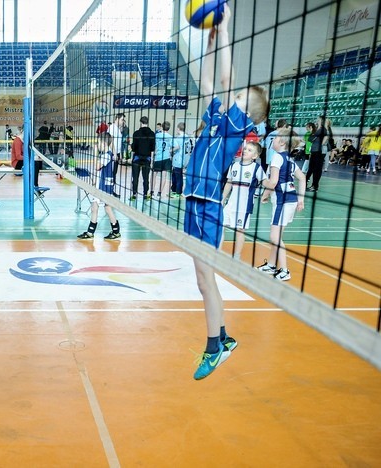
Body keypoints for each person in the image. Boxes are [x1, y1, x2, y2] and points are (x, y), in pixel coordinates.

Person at [183, 7, 269, 380]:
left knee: (206, 279)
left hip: (209, 206)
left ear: (249, 111)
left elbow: (225, 77)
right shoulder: (220, 118)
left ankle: (215, 346)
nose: (233, 95)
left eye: (240, 96)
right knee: (203, 279)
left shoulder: (238, 124)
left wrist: (227, 28)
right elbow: (207, 83)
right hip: (193, 200)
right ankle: (223, 339)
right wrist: (209, 41)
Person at [255, 128, 306, 281]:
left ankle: (284, 270)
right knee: (277, 236)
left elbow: (274, 182)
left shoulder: (277, 157)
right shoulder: (289, 159)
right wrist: (301, 199)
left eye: (276, 138)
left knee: (274, 236)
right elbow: (302, 178)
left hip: (282, 202)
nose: (273, 140)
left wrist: (264, 194)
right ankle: (271, 264)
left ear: (282, 142)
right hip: (290, 200)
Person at [222, 141, 266, 261]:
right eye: (245, 149)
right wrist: (223, 199)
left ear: (255, 156)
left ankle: (236, 256)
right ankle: (217, 251)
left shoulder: (256, 168)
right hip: (230, 204)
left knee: (240, 230)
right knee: (220, 226)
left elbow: (267, 183)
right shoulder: (234, 165)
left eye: (250, 150)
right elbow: (228, 184)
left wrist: (268, 193)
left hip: (244, 206)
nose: (246, 151)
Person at [77, 133, 121, 240]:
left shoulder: (106, 155)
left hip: (104, 187)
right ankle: (93, 231)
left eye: (98, 143)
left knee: (106, 207)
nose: (97, 145)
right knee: (96, 207)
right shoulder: (106, 155)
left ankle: (113, 231)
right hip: (102, 185)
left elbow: (97, 167)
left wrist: (95, 152)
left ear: (104, 143)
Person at [130, 116, 154, 200]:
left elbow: (134, 147)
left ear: (141, 122)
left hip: (137, 157)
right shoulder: (152, 133)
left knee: (135, 177)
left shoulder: (136, 133)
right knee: (146, 177)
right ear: (147, 122)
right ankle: (145, 194)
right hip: (147, 157)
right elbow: (153, 148)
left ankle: (134, 194)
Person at [151, 121, 173, 199]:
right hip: (166, 157)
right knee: (164, 175)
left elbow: (154, 146)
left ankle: (152, 192)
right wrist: (169, 151)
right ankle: (160, 193)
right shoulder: (170, 137)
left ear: (162, 127)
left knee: (154, 175)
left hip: (158, 157)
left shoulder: (157, 135)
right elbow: (176, 146)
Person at [170, 122, 192, 198]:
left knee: (178, 176)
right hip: (185, 158)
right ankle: (174, 190)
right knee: (175, 175)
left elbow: (176, 147)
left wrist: (170, 151)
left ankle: (178, 192)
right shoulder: (187, 137)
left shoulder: (179, 138)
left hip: (178, 159)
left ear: (178, 128)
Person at [305, 116, 326, 192]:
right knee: (311, 169)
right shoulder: (318, 130)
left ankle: (315, 186)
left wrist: (312, 133)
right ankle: (309, 185)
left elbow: (311, 139)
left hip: (318, 152)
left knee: (316, 170)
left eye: (318, 119)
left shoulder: (322, 130)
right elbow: (311, 139)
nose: (317, 120)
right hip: (314, 151)